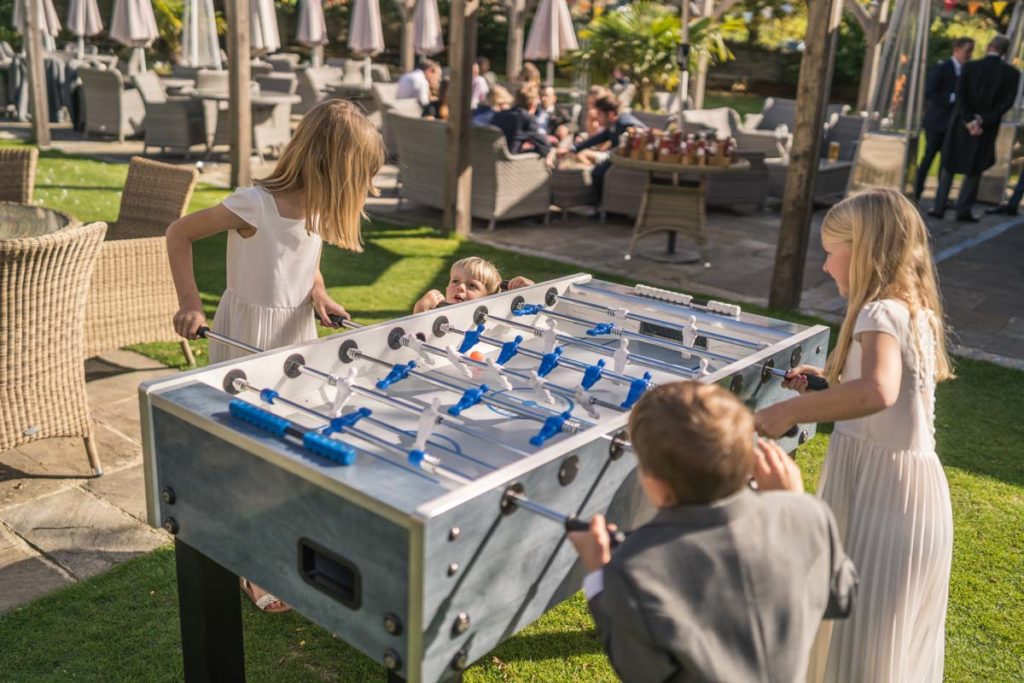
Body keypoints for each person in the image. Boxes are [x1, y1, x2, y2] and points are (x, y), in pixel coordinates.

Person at [167, 100, 385, 611]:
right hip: (247, 339)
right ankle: (252, 564)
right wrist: (190, 303)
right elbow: (179, 233)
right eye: (361, 178)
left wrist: (320, 295)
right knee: (248, 455)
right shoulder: (254, 204)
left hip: (296, 337)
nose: (364, 191)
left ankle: (290, 542)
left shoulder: (313, 207)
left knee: (293, 447)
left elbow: (305, 261)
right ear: (334, 167)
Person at [754, 188, 954, 682]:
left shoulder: (879, 312)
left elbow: (879, 392)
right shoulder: (914, 311)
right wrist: (827, 384)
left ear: (862, 250)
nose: (825, 266)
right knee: (878, 641)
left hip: (884, 497)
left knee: (860, 648)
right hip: (910, 493)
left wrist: (791, 412)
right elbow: (887, 392)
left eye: (830, 252)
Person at [569, 381, 857, 682]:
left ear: (655, 484)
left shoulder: (635, 567)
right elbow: (842, 596)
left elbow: (640, 670)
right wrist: (793, 505)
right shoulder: (809, 514)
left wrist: (600, 576)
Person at [931, 34, 1020, 222]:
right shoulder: (1012, 74)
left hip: (962, 125)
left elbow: (961, 95)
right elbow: (1006, 104)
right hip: (985, 128)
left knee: (949, 163)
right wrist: (983, 120)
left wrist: (969, 119)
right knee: (974, 169)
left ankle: (939, 206)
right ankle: (963, 209)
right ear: (1005, 51)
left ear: (989, 47)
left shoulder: (970, 67)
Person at [915, 37, 974, 203]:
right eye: (967, 51)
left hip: (953, 125)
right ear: (957, 50)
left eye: (971, 51)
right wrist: (952, 97)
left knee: (947, 162)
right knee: (928, 158)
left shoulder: (967, 70)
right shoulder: (942, 68)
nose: (969, 55)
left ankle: (941, 199)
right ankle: (917, 192)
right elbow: (930, 93)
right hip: (936, 123)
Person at [559, 94, 646, 202]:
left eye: (599, 114)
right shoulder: (614, 124)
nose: (597, 118)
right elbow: (596, 139)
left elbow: (638, 135)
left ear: (610, 114)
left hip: (629, 162)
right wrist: (573, 148)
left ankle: (601, 204)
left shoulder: (625, 123)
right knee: (597, 170)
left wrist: (624, 140)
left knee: (597, 172)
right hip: (617, 158)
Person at [413, 257, 533, 313]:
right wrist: (421, 309)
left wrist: (531, 290)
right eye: (455, 281)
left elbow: (531, 314)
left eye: (471, 285)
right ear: (447, 288)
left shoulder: (492, 318)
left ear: (488, 298)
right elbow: (416, 341)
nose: (460, 287)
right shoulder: (438, 314)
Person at [491, 82, 554, 159]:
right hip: (512, 163)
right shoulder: (526, 118)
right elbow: (545, 147)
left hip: (492, 160)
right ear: (532, 104)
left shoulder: (499, 115)